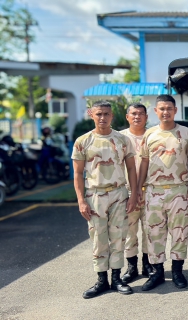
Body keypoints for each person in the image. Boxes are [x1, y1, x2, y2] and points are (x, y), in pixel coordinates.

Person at [71, 100, 137, 299]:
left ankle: (116, 278)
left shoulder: (122, 140)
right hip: (95, 195)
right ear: (91, 114)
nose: (102, 118)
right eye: (99, 114)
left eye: (106, 114)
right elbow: (77, 174)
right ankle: (102, 280)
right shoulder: (83, 141)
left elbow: (132, 168)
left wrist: (134, 194)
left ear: (111, 116)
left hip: (118, 193)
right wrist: (81, 201)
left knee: (118, 238)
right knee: (98, 238)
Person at [137, 94, 188, 291]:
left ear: (175, 110)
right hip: (154, 192)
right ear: (156, 111)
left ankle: (178, 272)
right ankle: (158, 273)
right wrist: (139, 188)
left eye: (169, 109)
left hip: (179, 190)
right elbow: (144, 161)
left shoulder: (186, 133)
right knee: (154, 233)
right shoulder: (149, 134)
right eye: (161, 109)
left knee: (179, 233)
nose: (165, 112)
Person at [119, 103, 153, 283]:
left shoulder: (153, 135)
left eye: (141, 114)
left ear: (146, 117)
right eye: (133, 113)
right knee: (129, 230)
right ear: (127, 117)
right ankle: (131, 267)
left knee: (150, 230)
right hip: (127, 192)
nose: (137, 117)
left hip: (150, 190)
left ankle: (148, 264)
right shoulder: (120, 137)